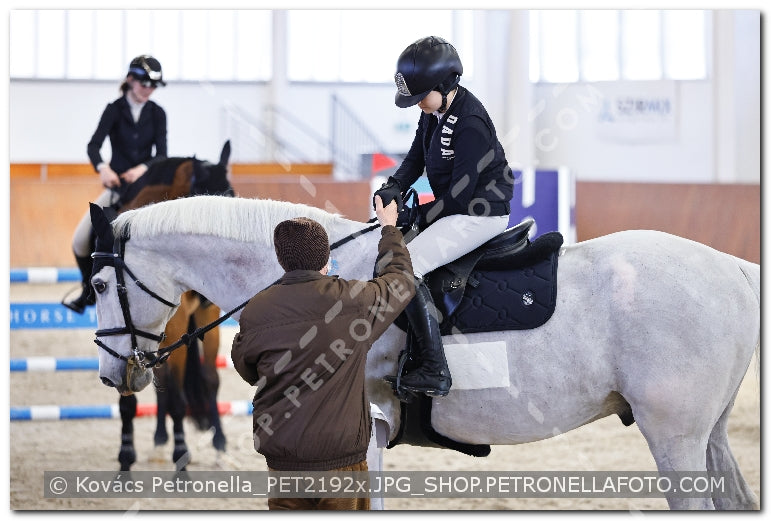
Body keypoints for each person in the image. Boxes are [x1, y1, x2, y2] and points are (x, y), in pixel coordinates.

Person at [230, 196, 415, 511]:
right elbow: (400, 281)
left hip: (284, 462)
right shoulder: (355, 301)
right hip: (341, 461)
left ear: (281, 259)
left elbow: (247, 369)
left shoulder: (256, 310)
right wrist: (389, 229)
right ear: (327, 258)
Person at [374, 36, 515, 397]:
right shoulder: (434, 112)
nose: (419, 104)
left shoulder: (471, 122)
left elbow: (458, 198)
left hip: (480, 212)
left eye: (422, 96)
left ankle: (434, 369)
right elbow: (415, 158)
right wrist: (393, 186)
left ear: (445, 83)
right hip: (457, 206)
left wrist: (415, 213)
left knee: (406, 267)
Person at [63, 54, 168, 313]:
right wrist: (104, 168)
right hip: (118, 188)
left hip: (147, 188)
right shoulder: (114, 109)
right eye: (145, 84)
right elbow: (93, 146)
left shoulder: (157, 113)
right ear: (131, 79)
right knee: (80, 240)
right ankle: (88, 291)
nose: (149, 90)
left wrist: (142, 169)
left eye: (153, 86)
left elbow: (162, 154)